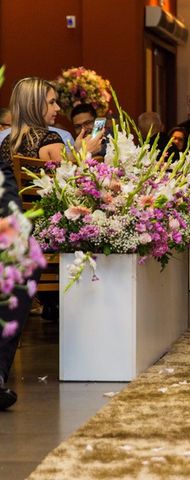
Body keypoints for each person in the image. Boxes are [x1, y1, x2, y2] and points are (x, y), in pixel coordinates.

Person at [0, 77, 64, 409]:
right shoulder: (50, 140)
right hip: (36, 238)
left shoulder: (6, 144)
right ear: (35, 104)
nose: (57, 108)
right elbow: (72, 189)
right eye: (51, 102)